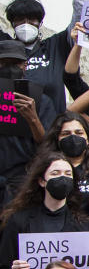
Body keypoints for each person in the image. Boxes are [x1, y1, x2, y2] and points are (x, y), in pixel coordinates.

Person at [1, 0, 85, 113]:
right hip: (12, 131)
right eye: (20, 20)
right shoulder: (5, 48)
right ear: (12, 23)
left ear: (40, 23)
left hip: (51, 128)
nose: (26, 24)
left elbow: (79, 22)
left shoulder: (55, 46)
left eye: (31, 19)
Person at [38, 112, 89, 233]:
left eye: (79, 133)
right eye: (66, 134)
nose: (73, 137)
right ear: (57, 139)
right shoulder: (45, 170)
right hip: (54, 240)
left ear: (88, 138)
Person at [0, 40, 57, 200]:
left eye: (16, 63)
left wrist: (33, 118)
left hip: (23, 184)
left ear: (25, 66)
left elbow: (48, 145)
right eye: (4, 63)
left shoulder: (42, 101)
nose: (10, 68)